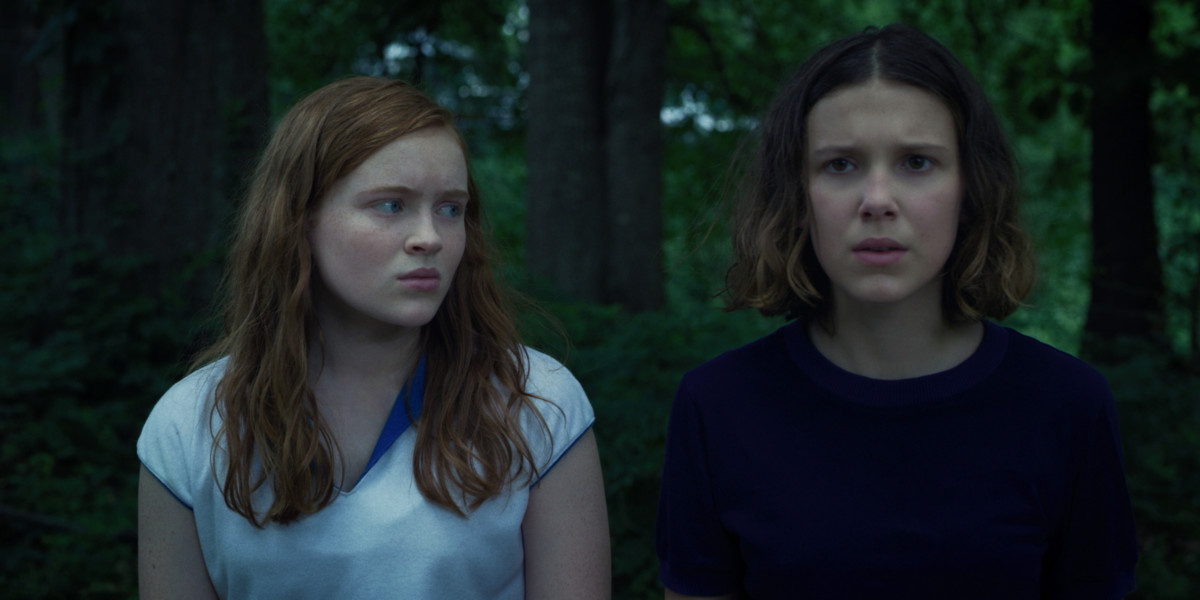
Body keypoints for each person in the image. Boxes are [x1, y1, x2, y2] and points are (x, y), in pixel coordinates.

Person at [655, 24, 1137, 599]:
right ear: (796, 193)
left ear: (970, 189)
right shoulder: (717, 406)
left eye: (916, 162)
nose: (878, 200)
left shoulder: (1068, 405)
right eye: (841, 164)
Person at [137, 77, 610, 600]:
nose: (429, 237)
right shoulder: (190, 426)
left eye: (450, 208)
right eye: (390, 205)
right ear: (299, 220)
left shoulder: (537, 402)